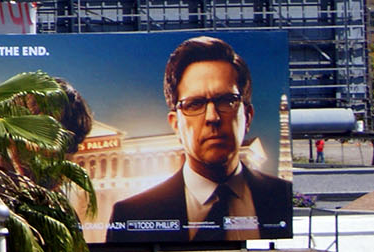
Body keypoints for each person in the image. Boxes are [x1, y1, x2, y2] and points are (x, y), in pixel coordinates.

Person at [106, 36, 293, 243]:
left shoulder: (283, 198)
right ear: (175, 124)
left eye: (226, 100)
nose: (212, 117)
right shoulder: (132, 214)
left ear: (247, 117)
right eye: (194, 104)